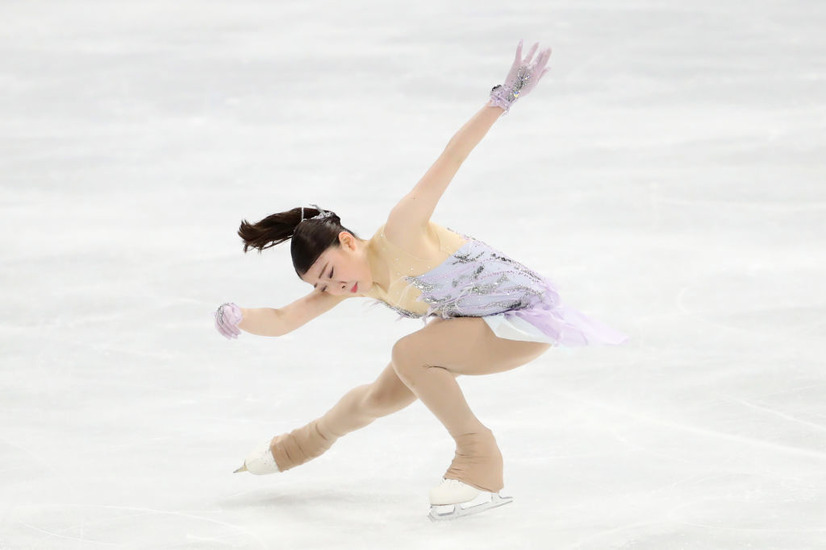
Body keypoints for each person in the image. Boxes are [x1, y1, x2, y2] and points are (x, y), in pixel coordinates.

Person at [215, 40, 627, 520]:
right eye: (321, 286)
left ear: (348, 242)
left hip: (522, 322)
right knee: (377, 397)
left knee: (411, 353)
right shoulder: (358, 281)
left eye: (329, 274)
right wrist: (239, 316)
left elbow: (450, 159)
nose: (333, 289)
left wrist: (502, 99)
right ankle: (298, 446)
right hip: (478, 328)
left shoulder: (401, 230)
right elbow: (286, 319)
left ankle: (479, 461)